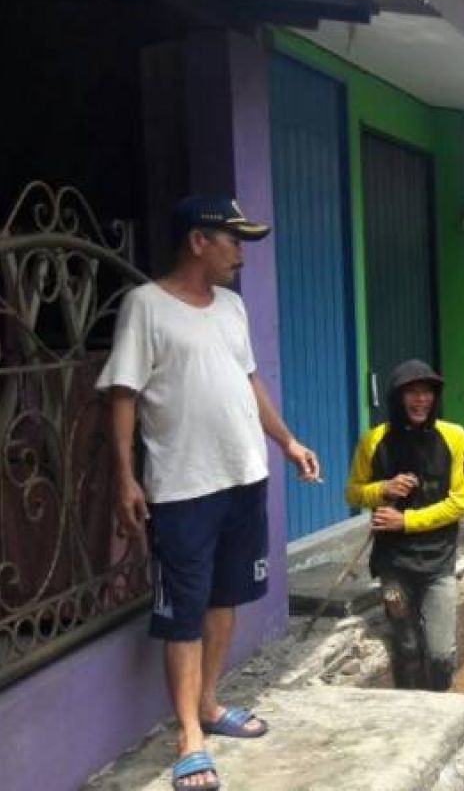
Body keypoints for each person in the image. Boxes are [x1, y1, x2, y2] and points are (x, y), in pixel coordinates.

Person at [98, 196, 320, 791]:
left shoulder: (231, 307)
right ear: (200, 241)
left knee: (227, 598)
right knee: (183, 613)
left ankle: (209, 706)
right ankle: (188, 738)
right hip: (182, 488)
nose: (240, 255)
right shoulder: (145, 306)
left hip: (244, 476)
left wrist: (287, 443)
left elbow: (248, 382)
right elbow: (123, 394)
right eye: (233, 241)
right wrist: (126, 477)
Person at [345, 359, 464, 691]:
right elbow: (352, 492)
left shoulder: (454, 437)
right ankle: (411, 712)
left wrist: (406, 521)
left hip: (438, 563)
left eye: (427, 392)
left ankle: (442, 708)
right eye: (412, 393)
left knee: (442, 651)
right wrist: (381, 489)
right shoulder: (374, 440)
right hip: (393, 566)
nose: (420, 400)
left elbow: (461, 502)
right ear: (397, 398)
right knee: (408, 646)